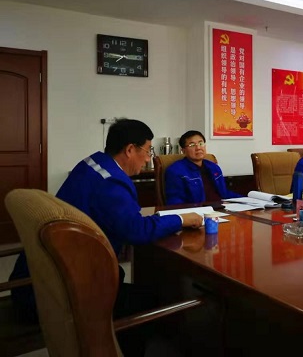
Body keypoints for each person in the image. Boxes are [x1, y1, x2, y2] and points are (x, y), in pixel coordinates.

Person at [9, 119, 204, 353]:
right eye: (147, 151)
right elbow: (137, 230)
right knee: (147, 298)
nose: (148, 159)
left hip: (39, 281)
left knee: (133, 285)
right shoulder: (111, 182)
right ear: (130, 149)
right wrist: (181, 219)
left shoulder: (92, 164)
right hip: (57, 293)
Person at [165, 130, 242, 204]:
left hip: (222, 207)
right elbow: (175, 202)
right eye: (192, 145)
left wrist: (245, 200)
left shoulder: (214, 167)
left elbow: (225, 193)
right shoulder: (175, 171)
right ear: (183, 151)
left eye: (201, 143)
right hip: (198, 211)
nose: (198, 148)